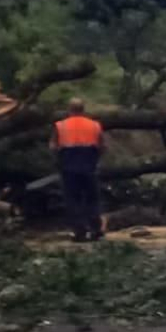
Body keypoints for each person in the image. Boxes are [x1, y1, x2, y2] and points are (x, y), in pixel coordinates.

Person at [51, 97, 105, 243]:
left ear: (69, 110)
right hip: (89, 165)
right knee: (92, 198)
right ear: (83, 110)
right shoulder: (94, 125)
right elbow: (102, 146)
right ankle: (95, 230)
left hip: (69, 165)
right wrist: (95, 159)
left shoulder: (61, 125)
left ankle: (79, 231)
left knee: (72, 199)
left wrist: (59, 160)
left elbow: (53, 146)